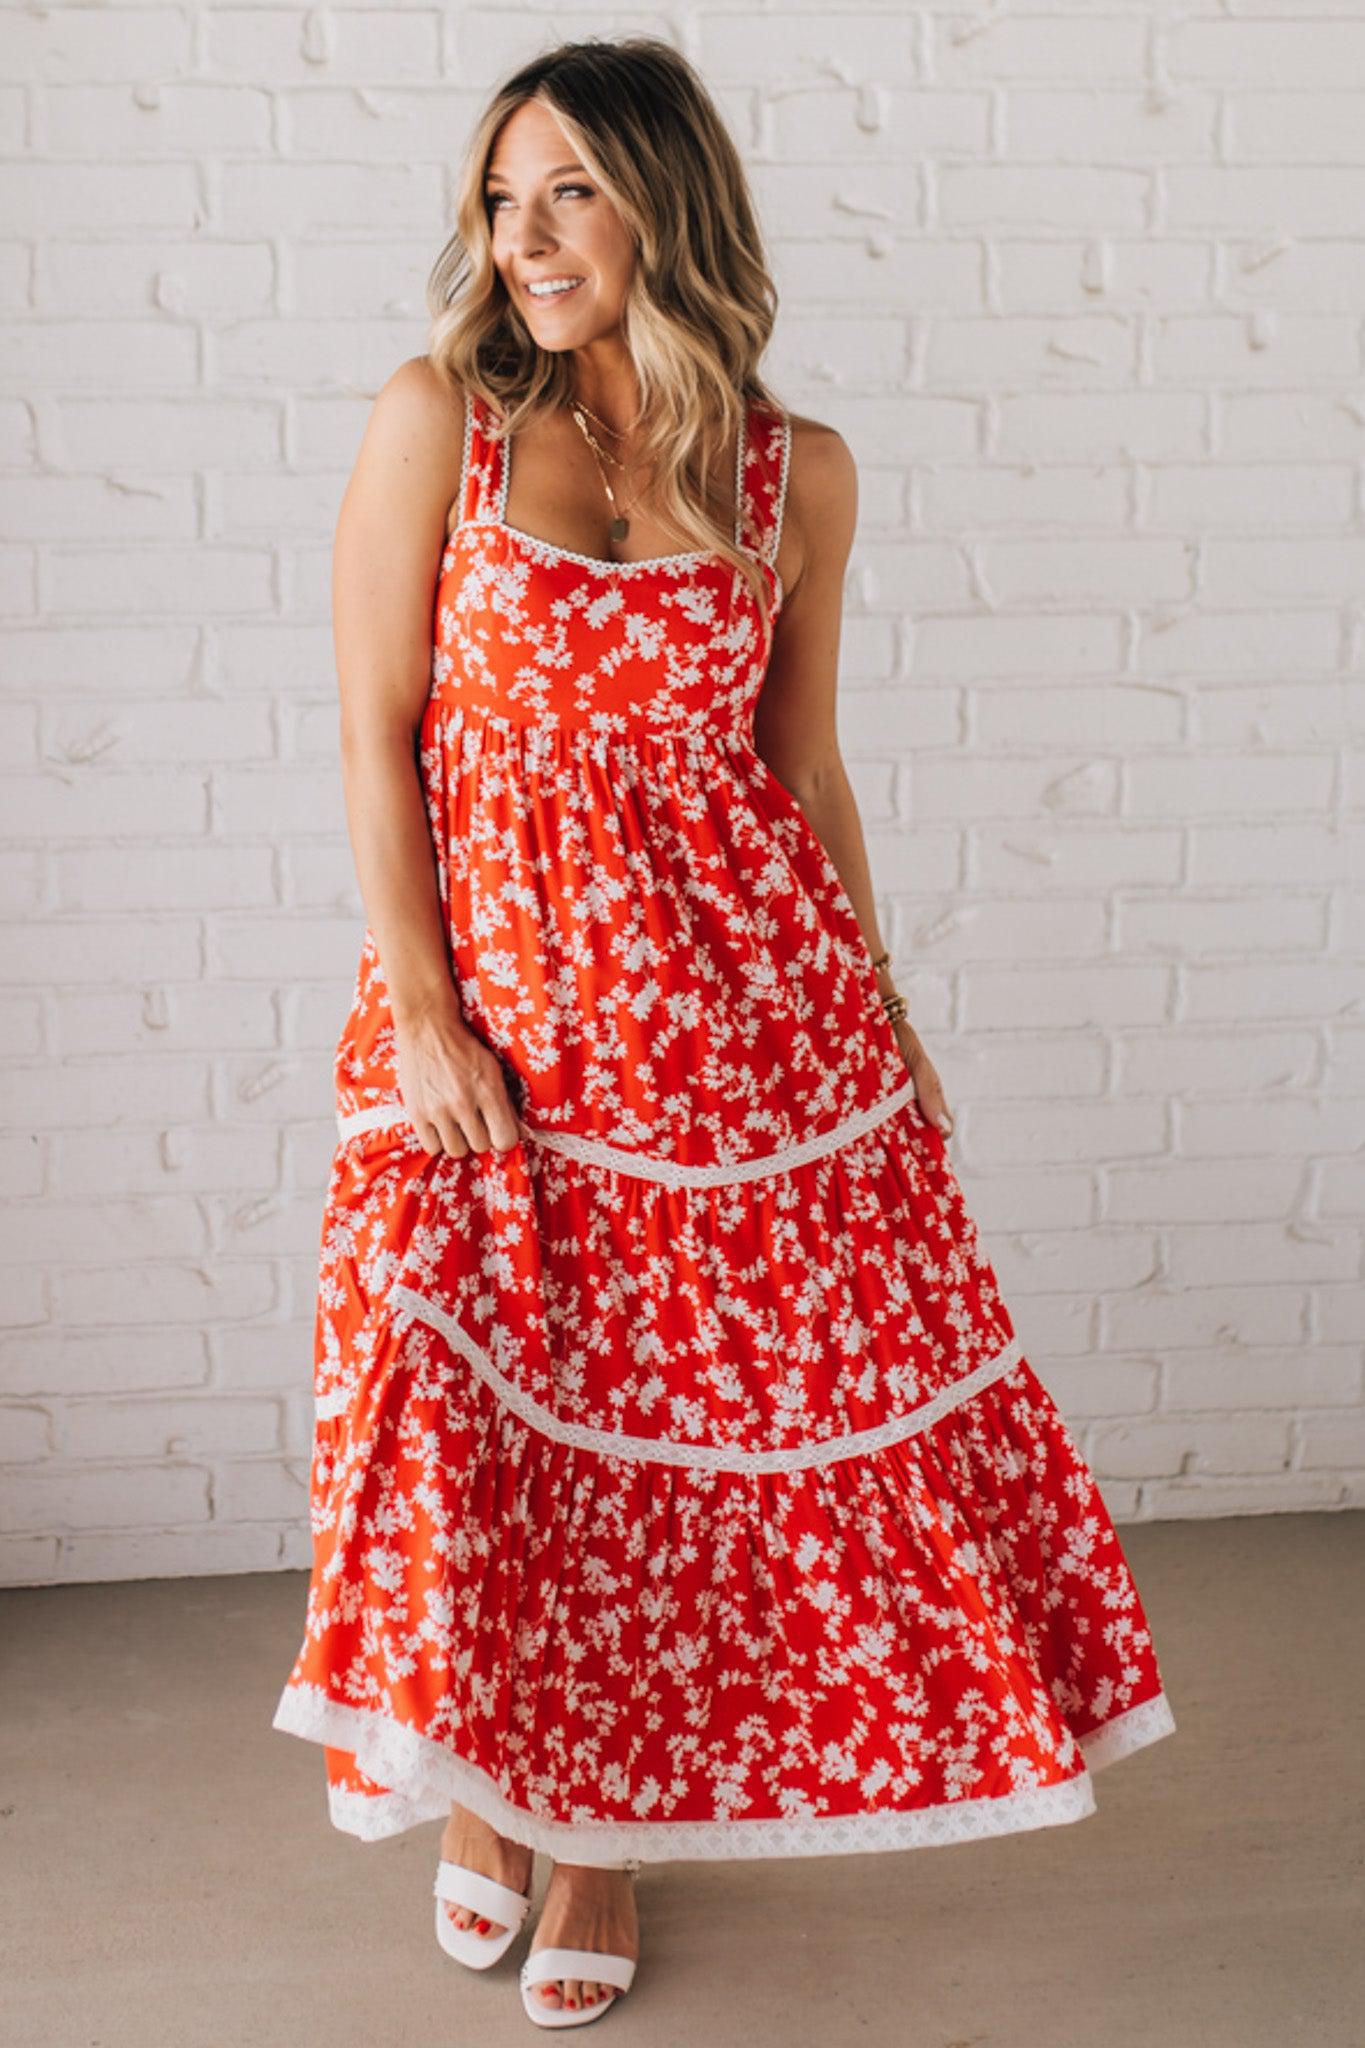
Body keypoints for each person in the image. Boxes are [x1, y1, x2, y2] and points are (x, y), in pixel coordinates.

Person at [272, 33, 1176, 2031]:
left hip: (736, 1039)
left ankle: (589, 1831)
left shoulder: (793, 472)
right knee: (468, 1426)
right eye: (502, 195)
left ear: (665, 207)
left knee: (674, 1456)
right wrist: (423, 1008)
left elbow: (804, 769)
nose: (524, 234)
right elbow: (374, 732)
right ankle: (486, 1795)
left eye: (570, 190)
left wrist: (882, 1011)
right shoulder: (435, 419)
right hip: (496, 1022)